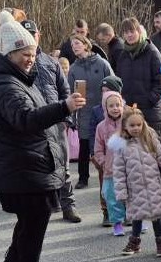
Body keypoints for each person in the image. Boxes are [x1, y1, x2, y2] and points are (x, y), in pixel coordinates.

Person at [0, 10, 86, 262]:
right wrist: (64, 107)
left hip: (29, 163)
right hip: (22, 165)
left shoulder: (18, 78)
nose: (30, 59)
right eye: (24, 54)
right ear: (9, 54)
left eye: (32, 53)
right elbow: (26, 119)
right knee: (35, 220)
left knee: (29, 219)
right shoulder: (5, 84)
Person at [26, 20, 81, 223]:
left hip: (56, 121)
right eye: (26, 33)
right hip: (35, 122)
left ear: (38, 35)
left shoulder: (51, 62)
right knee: (38, 166)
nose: (31, 36)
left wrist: (67, 117)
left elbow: (65, 90)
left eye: (33, 33)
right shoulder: (20, 62)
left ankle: (69, 205)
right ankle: (46, 204)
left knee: (63, 165)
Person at [111, 106, 161, 257]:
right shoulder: (121, 145)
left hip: (153, 185)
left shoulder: (150, 137)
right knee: (137, 216)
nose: (136, 128)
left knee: (156, 215)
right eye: (132, 125)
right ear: (125, 125)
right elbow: (118, 171)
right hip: (134, 188)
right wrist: (121, 192)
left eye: (139, 124)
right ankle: (134, 242)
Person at [67, 37, 113, 189]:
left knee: (105, 144)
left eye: (77, 43)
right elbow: (69, 93)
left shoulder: (102, 63)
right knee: (84, 145)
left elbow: (113, 83)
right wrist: (72, 117)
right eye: (72, 44)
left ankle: (110, 172)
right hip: (85, 111)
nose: (74, 46)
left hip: (102, 110)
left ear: (86, 45)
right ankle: (83, 178)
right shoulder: (73, 69)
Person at [116, 17, 161, 147]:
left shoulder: (152, 52)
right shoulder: (123, 55)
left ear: (139, 31)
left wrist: (149, 100)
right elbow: (119, 81)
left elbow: (160, 81)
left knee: (154, 150)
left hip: (150, 111)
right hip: (129, 110)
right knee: (133, 153)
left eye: (132, 31)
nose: (129, 35)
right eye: (126, 32)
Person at [93, 91, 126, 235]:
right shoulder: (101, 127)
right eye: (111, 105)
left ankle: (138, 219)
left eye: (118, 105)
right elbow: (98, 149)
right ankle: (117, 223)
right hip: (110, 169)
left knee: (132, 195)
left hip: (129, 168)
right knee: (112, 197)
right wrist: (103, 162)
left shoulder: (127, 122)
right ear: (105, 108)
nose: (115, 108)